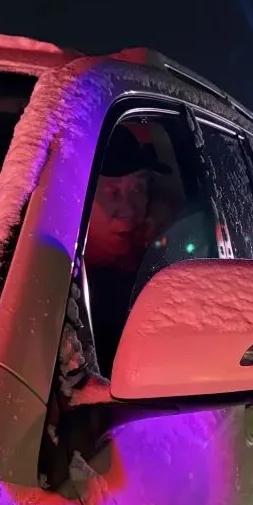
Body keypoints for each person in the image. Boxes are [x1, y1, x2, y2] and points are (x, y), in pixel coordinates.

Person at [83, 124, 171, 375]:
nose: (130, 210)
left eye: (138, 189)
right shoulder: (53, 282)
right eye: (112, 192)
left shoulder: (157, 269)